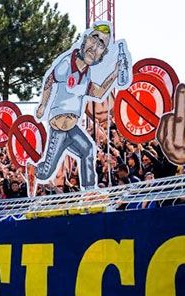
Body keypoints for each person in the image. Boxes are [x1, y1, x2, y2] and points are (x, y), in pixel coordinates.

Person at [27, 21, 131, 197]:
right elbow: (50, 80)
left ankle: (89, 191)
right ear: (84, 40)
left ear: (102, 55)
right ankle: (33, 169)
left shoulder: (87, 73)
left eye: (101, 45)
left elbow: (97, 93)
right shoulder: (67, 63)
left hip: (72, 128)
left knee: (88, 150)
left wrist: (114, 74)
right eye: (94, 40)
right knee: (46, 171)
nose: (94, 47)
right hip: (59, 129)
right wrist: (43, 105)